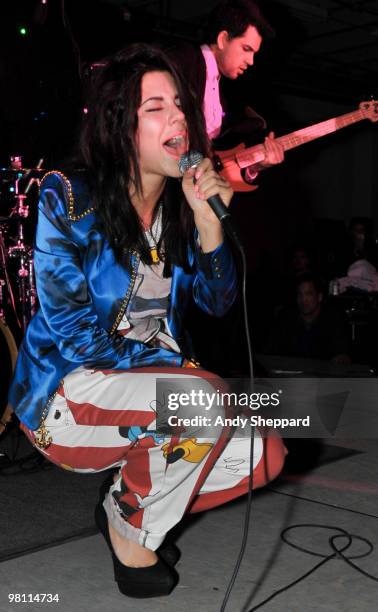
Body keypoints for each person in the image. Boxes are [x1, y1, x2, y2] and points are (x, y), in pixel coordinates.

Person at [6, 44, 286, 599]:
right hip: (67, 393)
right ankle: (134, 535)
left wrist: (208, 225)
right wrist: (180, 373)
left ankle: (123, 509)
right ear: (119, 127)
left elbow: (218, 303)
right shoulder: (70, 197)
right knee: (204, 402)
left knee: (262, 455)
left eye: (180, 104)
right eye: (155, 107)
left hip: (146, 388)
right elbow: (75, 334)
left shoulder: (180, 209)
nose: (179, 116)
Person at [167, 0, 284, 181]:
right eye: (246, 49)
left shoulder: (223, 96)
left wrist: (255, 166)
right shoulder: (183, 60)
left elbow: (214, 163)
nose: (251, 61)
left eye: (254, 53)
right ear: (222, 39)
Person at [265, 273, 351, 364]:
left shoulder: (333, 320)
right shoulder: (286, 319)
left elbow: (343, 353)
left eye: (309, 294)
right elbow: (270, 351)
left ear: (319, 297)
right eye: (300, 295)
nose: (303, 299)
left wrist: (342, 358)